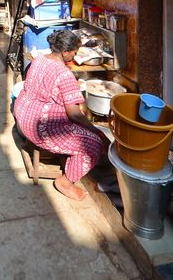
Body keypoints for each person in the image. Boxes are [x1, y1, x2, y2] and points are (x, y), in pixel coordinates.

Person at [14, 29, 108, 201]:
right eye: (74, 52)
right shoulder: (64, 75)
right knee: (94, 145)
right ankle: (65, 182)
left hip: (23, 116)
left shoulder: (39, 59)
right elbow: (74, 114)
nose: (75, 55)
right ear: (65, 52)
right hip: (40, 129)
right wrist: (95, 131)